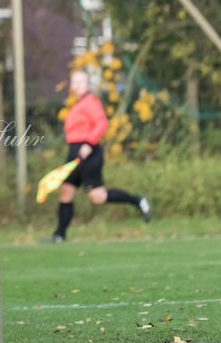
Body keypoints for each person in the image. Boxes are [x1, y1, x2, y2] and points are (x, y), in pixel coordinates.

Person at [51, 69, 153, 242]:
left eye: (79, 82)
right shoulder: (76, 104)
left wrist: (89, 143)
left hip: (88, 153)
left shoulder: (91, 102)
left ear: (87, 85)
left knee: (98, 196)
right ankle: (59, 235)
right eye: (73, 82)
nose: (75, 86)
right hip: (74, 152)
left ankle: (138, 200)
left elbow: (102, 123)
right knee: (66, 192)